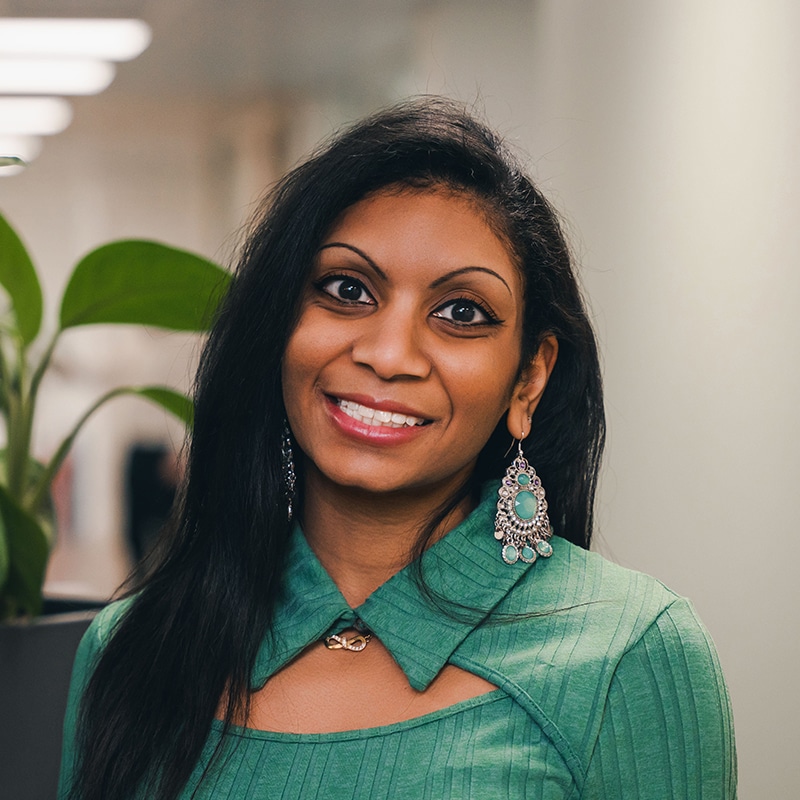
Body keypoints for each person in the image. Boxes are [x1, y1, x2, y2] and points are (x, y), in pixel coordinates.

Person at [59, 98, 736, 800]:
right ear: (279, 327)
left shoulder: (630, 653)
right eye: (346, 289)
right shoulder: (134, 645)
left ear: (528, 379)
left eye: (461, 313)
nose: (388, 355)